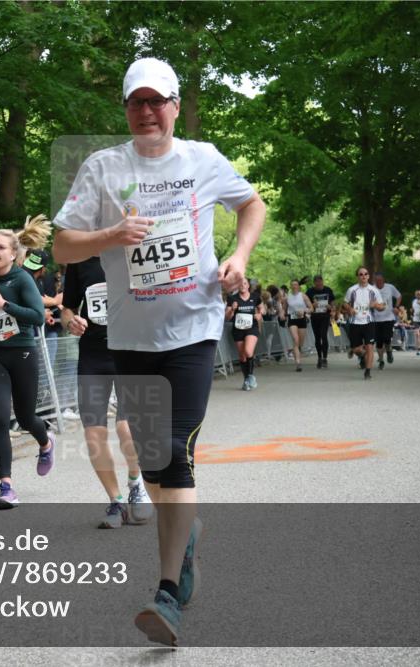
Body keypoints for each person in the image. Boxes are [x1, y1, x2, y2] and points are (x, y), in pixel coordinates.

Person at [51, 57, 265, 646]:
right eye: (135, 102)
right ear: (126, 108)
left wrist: (239, 258)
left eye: (157, 101)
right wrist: (110, 236)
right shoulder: (103, 167)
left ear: (174, 104)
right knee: (154, 462)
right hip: (130, 338)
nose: (147, 111)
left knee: (177, 453)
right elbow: (64, 245)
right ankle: (185, 535)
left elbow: (253, 204)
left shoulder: (202, 159)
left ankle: (166, 593)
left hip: (193, 330)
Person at [62, 256, 153, 528]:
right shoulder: (80, 261)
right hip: (93, 355)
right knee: (93, 433)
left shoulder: (132, 253)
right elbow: (67, 309)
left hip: (130, 350)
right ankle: (116, 502)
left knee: (127, 427)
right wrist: (71, 322)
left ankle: (136, 482)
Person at [0, 230, 56, 509]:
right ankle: (6, 487)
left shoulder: (23, 279)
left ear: (12, 253)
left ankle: (45, 443)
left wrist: (4, 304)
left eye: (0, 247)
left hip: (22, 352)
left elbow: (37, 317)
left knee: (24, 416)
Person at [343, 267, 384, 380]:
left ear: (369, 276)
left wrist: (375, 305)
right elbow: (345, 303)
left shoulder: (374, 290)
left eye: (366, 274)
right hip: (355, 322)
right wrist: (350, 308)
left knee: (370, 347)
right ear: (358, 276)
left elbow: (382, 306)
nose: (363, 276)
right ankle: (361, 355)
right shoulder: (352, 290)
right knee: (356, 349)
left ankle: (367, 371)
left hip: (369, 322)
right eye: (361, 274)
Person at [225, 278, 265, 390]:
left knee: (248, 351)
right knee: (242, 356)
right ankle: (246, 379)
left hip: (252, 328)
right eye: (240, 283)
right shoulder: (232, 298)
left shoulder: (255, 297)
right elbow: (227, 317)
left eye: (245, 283)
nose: (242, 285)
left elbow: (263, 308)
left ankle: (251, 376)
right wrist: (232, 310)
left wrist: (260, 314)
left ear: (248, 286)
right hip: (238, 329)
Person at [371, 272, 401, 370]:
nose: (378, 282)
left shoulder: (390, 287)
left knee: (387, 338)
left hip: (389, 317)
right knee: (379, 341)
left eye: (380, 280)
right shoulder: (371, 289)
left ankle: (389, 351)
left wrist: (396, 307)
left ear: (384, 280)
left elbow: (399, 296)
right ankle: (381, 360)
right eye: (376, 281)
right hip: (376, 318)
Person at [306, 275, 335, 369]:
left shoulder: (328, 290)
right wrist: (312, 305)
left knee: (324, 335)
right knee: (317, 338)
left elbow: (333, 304)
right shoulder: (310, 292)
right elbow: (306, 305)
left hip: (325, 316)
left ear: (323, 281)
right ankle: (319, 357)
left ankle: (325, 358)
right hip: (315, 317)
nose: (319, 284)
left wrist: (331, 308)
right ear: (314, 283)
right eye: (317, 282)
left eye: (320, 282)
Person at [285, 279, 312, 372]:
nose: (294, 286)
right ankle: (298, 362)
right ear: (290, 287)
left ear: (298, 286)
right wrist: (282, 314)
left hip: (302, 320)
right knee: (295, 339)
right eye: (292, 285)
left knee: (300, 342)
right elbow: (284, 309)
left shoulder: (303, 296)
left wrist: (304, 311)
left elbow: (311, 308)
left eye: (296, 284)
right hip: (292, 319)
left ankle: (298, 350)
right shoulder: (288, 297)